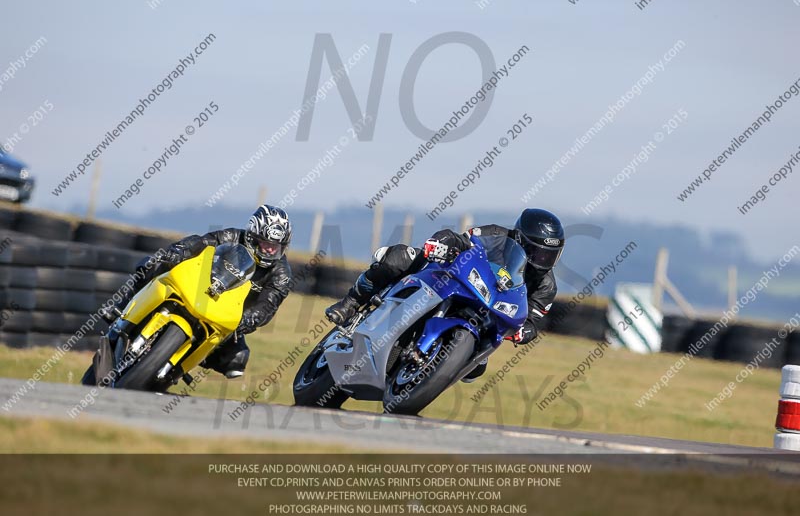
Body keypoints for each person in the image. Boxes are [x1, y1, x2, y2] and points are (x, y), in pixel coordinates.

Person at [325, 208, 564, 382]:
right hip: (456, 282)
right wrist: (443, 242)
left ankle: (425, 378)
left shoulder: (546, 286)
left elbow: (533, 320)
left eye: (550, 255)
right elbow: (463, 241)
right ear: (520, 239)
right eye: (537, 252)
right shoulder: (497, 235)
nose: (543, 261)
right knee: (399, 257)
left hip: (485, 316)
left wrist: (525, 331)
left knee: (477, 368)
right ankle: (351, 303)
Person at [100, 205, 293, 379]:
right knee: (158, 264)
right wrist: (179, 251)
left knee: (238, 360)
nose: (269, 251)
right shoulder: (232, 237)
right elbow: (201, 242)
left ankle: (174, 371)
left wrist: (249, 320)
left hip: (229, 316)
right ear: (252, 235)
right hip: (202, 288)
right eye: (265, 244)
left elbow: (268, 304)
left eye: (275, 247)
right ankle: (122, 307)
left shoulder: (281, 274)